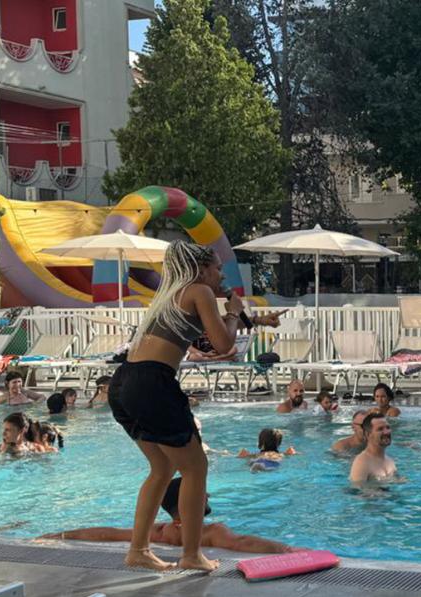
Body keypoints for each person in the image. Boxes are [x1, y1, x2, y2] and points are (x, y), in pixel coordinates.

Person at [106, 241, 242, 572]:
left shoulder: (169, 297)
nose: (221, 272)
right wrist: (234, 313)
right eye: (217, 267)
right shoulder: (199, 291)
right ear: (200, 269)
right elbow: (225, 345)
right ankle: (192, 554)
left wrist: (251, 318)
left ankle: (138, 549)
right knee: (196, 468)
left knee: (162, 469)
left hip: (123, 382)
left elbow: (201, 338)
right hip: (153, 384)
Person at [45, 478, 296, 554]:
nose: (207, 494)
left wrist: (62, 535)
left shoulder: (161, 530)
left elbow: (107, 534)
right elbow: (242, 543)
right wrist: (288, 549)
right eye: (201, 491)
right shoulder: (210, 532)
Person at [348, 414, 398, 485]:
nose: (387, 432)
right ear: (368, 434)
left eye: (388, 427)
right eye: (380, 429)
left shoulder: (390, 461)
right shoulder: (362, 463)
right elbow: (357, 491)